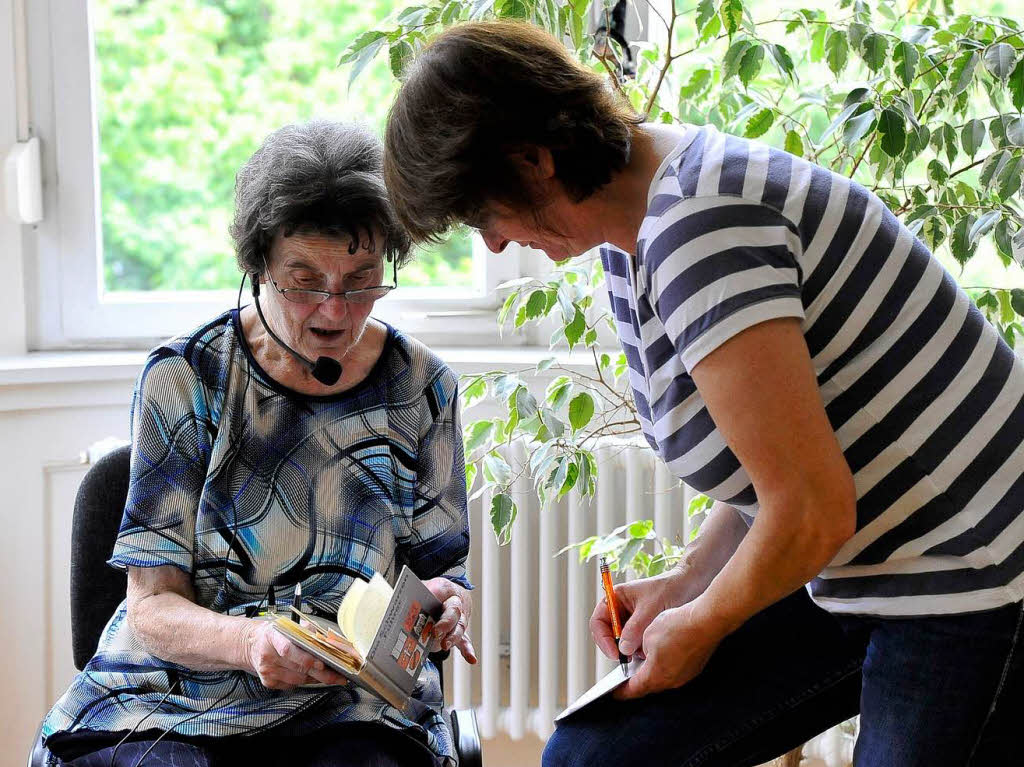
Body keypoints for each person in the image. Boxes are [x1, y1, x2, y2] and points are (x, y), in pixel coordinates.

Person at [383, 21, 1024, 766]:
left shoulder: (700, 227)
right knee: (594, 757)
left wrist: (704, 620)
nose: (491, 244)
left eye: (482, 214)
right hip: (859, 562)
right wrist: (689, 580)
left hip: (970, 569)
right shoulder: (636, 227)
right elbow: (774, 457)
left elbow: (811, 507)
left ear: (535, 160)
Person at [40, 121, 476, 767]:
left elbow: (439, 575)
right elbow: (151, 607)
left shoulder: (423, 389)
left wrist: (446, 604)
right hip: (177, 693)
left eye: (360, 279)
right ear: (258, 265)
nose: (334, 311)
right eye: (304, 280)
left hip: (352, 703)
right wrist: (251, 643)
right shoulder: (185, 378)